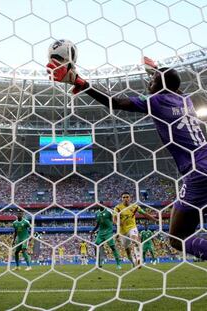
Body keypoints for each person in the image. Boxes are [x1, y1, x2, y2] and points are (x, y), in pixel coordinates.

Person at [47, 57, 207, 260]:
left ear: (163, 86)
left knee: (177, 239)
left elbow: (115, 103)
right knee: (180, 229)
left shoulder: (157, 101)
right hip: (202, 162)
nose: (149, 83)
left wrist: (83, 84)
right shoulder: (186, 100)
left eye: (153, 80)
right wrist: (157, 70)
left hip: (197, 173)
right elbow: (171, 83)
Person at [113, 192, 157, 266]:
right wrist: (117, 223)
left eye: (127, 197)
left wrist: (154, 219)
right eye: (123, 197)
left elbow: (144, 214)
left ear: (130, 198)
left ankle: (139, 258)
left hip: (132, 227)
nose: (125, 199)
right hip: (122, 231)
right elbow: (114, 219)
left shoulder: (135, 207)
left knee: (135, 240)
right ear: (121, 199)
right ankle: (133, 261)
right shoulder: (117, 208)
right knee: (127, 250)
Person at [90, 204, 121, 269]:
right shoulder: (97, 213)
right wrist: (93, 231)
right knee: (96, 246)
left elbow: (114, 221)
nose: (100, 206)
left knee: (112, 247)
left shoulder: (109, 211)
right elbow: (98, 224)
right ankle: (98, 264)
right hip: (100, 233)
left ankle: (118, 263)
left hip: (108, 232)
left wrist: (117, 229)